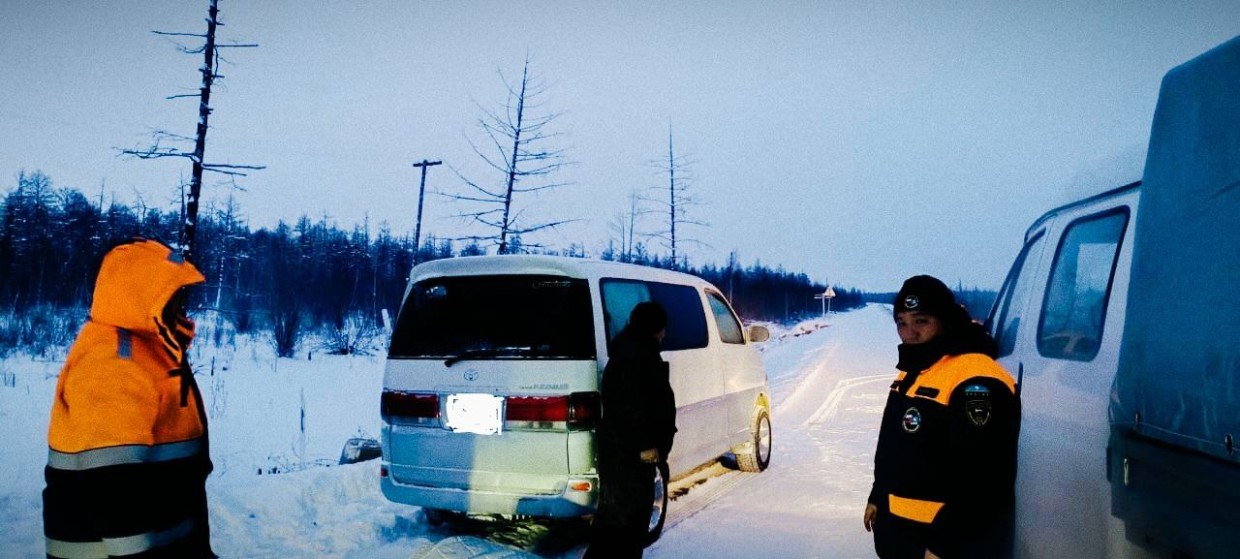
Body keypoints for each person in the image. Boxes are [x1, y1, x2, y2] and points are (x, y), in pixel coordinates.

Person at [43, 238, 216, 559]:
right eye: (171, 293)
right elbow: (110, 485)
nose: (180, 303)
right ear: (139, 292)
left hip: (166, 541)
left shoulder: (150, 349)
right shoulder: (113, 361)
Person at [863, 275, 1020, 559]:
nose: (909, 333)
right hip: (903, 538)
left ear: (945, 320)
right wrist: (878, 495)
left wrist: (944, 545)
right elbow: (896, 447)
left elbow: (985, 478)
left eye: (920, 321)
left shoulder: (976, 378)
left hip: (944, 546)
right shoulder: (917, 370)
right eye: (901, 322)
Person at [586, 301, 677, 559]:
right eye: (662, 328)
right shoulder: (637, 359)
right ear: (655, 329)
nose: (665, 333)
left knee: (617, 525)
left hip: (627, 456)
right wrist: (647, 447)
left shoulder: (633, 353)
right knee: (623, 528)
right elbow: (632, 412)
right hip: (631, 459)